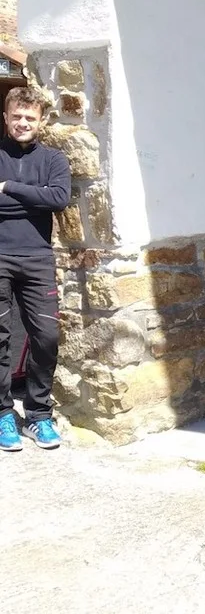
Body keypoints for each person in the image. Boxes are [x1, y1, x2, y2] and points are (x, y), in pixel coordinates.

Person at [0, 87, 71, 452]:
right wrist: (34, 196)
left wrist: (8, 187)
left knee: (46, 338)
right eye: (17, 116)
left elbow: (59, 198)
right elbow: (45, 198)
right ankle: (2, 414)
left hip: (38, 259)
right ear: (6, 118)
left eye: (30, 117)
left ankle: (38, 415)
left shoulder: (53, 159)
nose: (23, 122)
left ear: (40, 121)